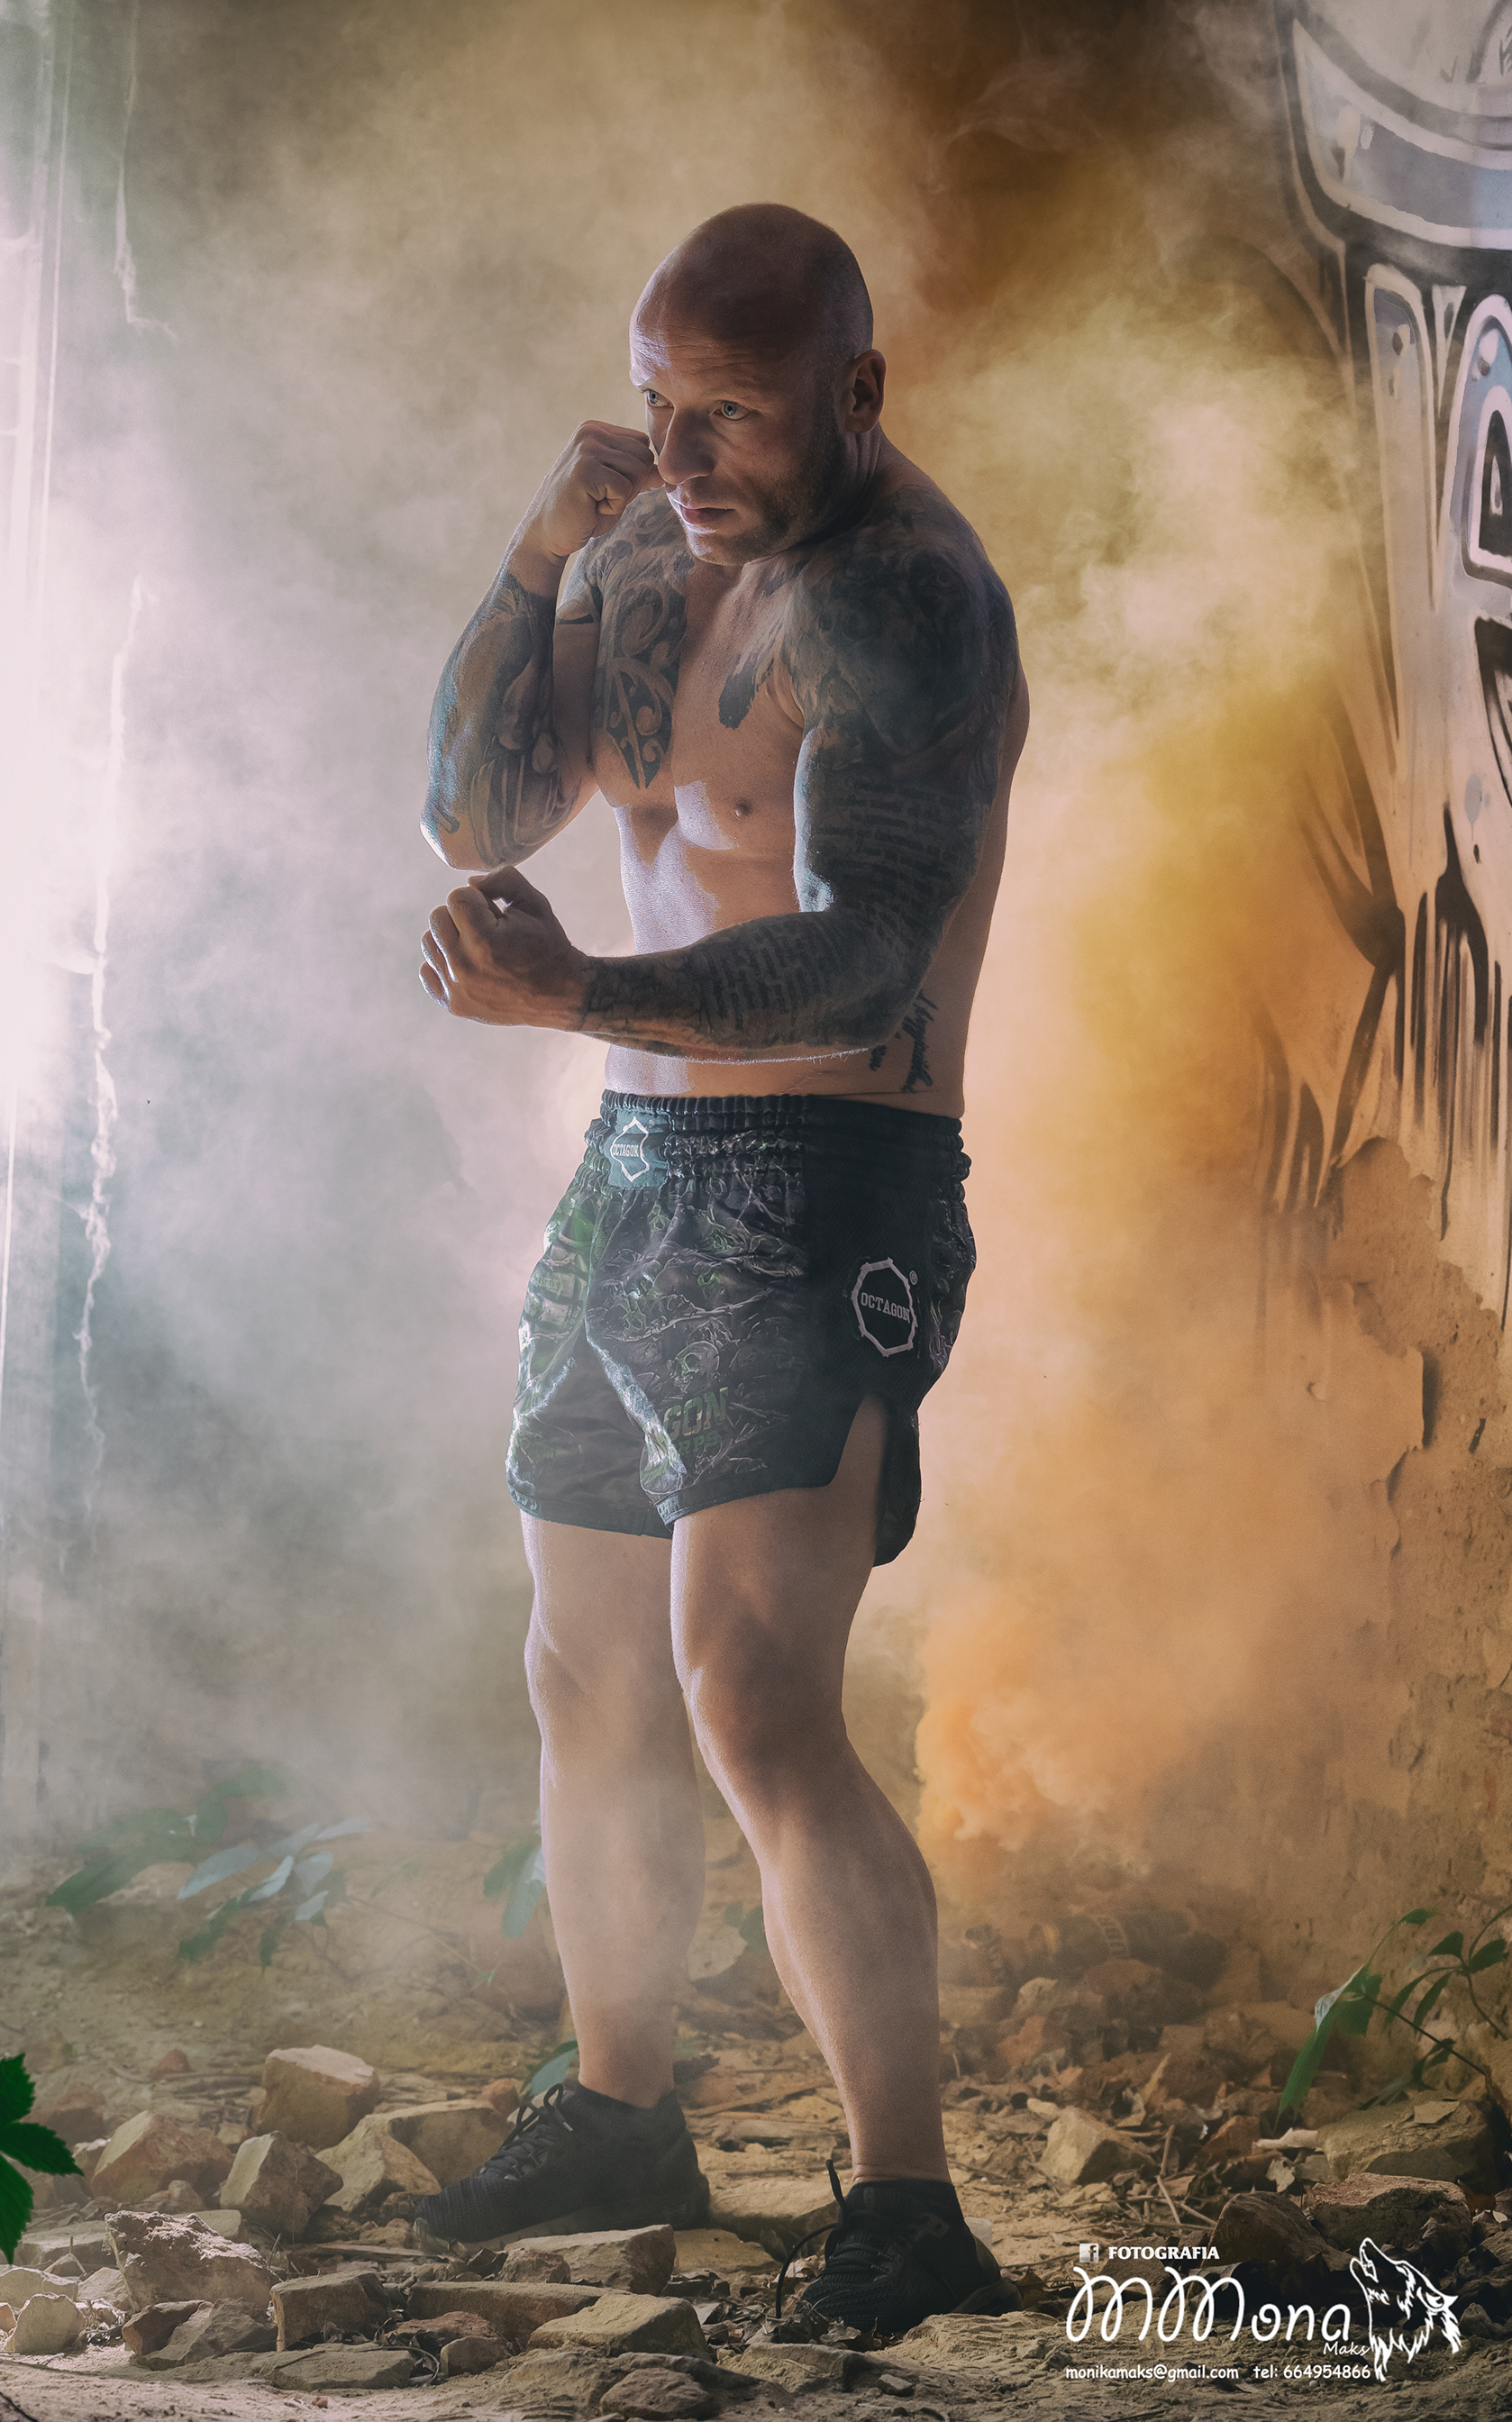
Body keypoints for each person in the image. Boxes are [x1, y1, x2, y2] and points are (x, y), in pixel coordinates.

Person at [414, 203, 1029, 2333]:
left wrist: (582, 989)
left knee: (755, 1698)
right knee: (584, 1670)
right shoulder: (644, 550)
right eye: (659, 404)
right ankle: (618, 2110)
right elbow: (471, 815)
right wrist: (532, 557)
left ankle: (907, 2205)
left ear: (856, 392)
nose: (680, 456)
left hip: (829, 1174)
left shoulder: (906, 600)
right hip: (637, 1169)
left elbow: (864, 962)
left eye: (735, 415)